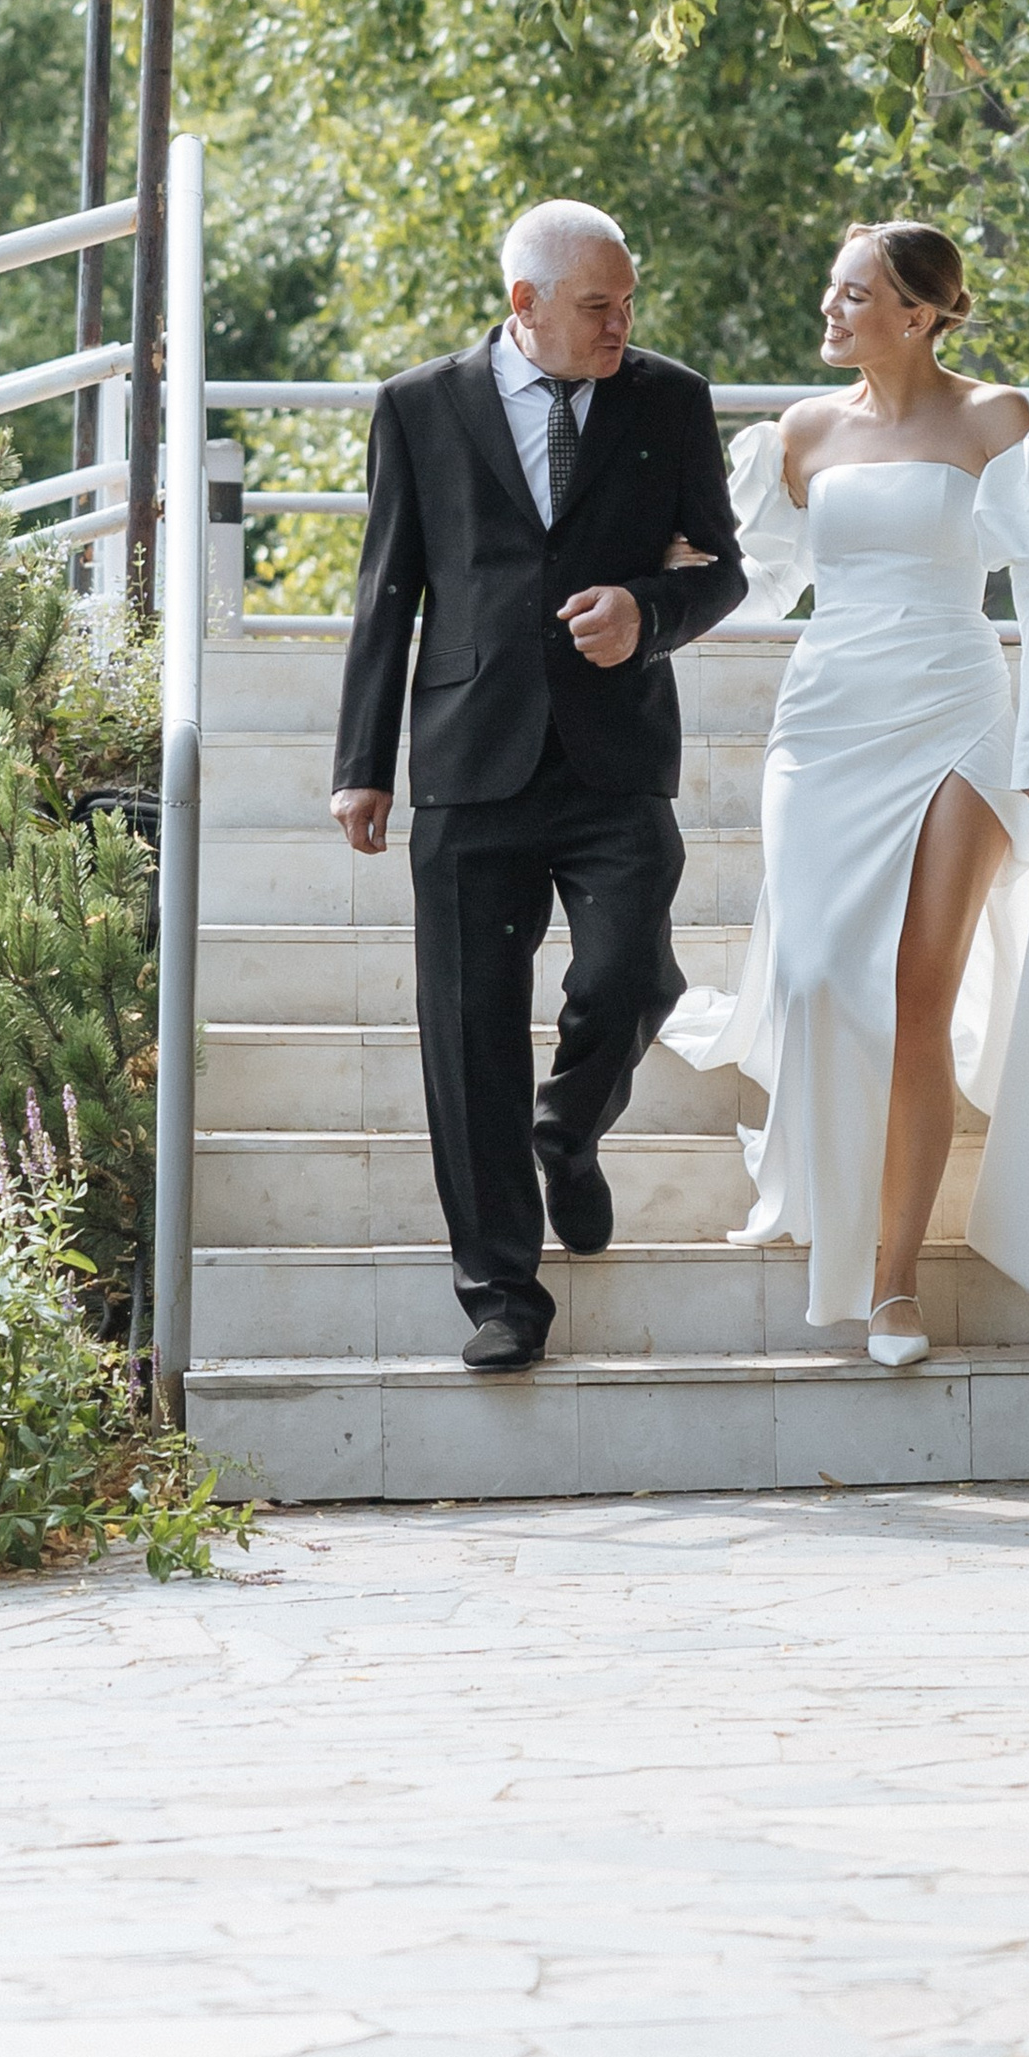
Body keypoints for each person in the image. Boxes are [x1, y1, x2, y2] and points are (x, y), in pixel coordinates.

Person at [661, 220, 1029, 1366]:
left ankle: (893, 1285)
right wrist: (669, 581)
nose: (830, 309)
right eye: (832, 289)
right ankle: (829, 1199)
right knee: (816, 977)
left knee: (913, 996)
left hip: (957, 713)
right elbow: (767, 581)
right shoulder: (798, 433)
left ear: (919, 313)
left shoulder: (996, 420)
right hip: (825, 720)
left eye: (853, 294)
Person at [331, 202, 747, 1370]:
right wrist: (362, 764)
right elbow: (387, 590)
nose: (622, 325)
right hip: (470, 758)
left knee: (630, 978)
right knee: (466, 1036)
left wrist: (647, 611)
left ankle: (567, 1126)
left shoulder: (671, 399)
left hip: (617, 757)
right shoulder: (418, 406)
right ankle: (502, 1297)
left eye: (628, 303)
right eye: (598, 307)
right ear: (526, 303)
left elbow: (723, 570)